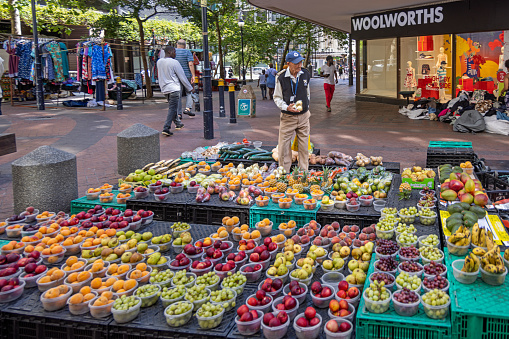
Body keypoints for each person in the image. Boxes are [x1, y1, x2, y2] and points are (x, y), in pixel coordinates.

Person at [274, 51, 311, 172]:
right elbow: (277, 97)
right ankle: (284, 173)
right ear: (288, 63)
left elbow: (307, 92)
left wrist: (306, 106)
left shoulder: (305, 73)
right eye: (296, 63)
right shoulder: (281, 77)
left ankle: (303, 173)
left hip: (304, 116)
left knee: (304, 147)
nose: (299, 65)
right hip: (288, 117)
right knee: (284, 147)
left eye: (300, 62)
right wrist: (285, 107)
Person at [157, 46, 193, 137]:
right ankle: (166, 127)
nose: (175, 54)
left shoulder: (159, 62)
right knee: (172, 108)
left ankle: (178, 123)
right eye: (174, 52)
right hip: (174, 88)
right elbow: (182, 76)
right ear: (169, 52)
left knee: (172, 107)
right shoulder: (174, 62)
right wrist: (189, 88)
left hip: (165, 89)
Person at [175, 39, 198, 119]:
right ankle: (188, 108)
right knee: (189, 92)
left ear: (176, 44)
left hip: (176, 76)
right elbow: (191, 64)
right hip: (186, 75)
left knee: (178, 95)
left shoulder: (173, 52)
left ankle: (178, 114)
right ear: (185, 45)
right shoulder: (187, 52)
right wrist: (193, 75)